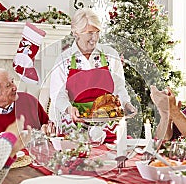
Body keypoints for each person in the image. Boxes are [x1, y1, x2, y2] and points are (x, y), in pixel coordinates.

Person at [50, 8, 136, 141]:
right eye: (90, 33)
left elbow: (119, 87)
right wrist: (68, 109)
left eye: (97, 32)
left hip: (108, 127)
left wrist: (126, 103)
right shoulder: (64, 60)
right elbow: (57, 95)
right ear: (76, 32)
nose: (94, 38)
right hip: (75, 127)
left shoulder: (110, 55)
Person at [0, 68, 50, 137]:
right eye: (8, 85)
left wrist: (47, 128)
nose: (15, 87)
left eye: (12, 81)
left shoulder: (29, 101)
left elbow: (48, 124)